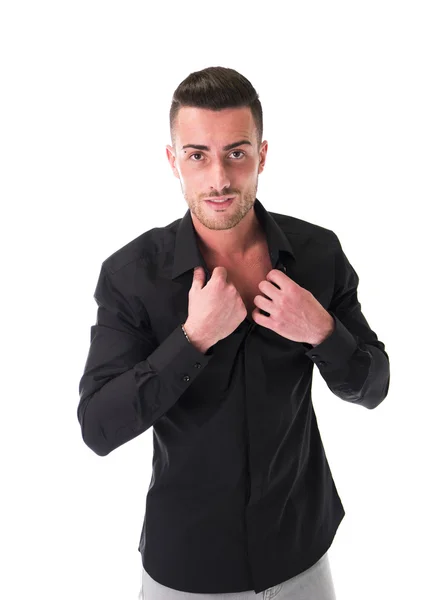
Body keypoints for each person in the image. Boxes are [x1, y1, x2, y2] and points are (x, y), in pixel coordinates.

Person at [77, 66, 390, 599]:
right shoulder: (131, 275)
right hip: (188, 569)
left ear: (262, 156)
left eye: (237, 153)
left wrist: (321, 330)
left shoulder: (319, 254)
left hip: (301, 554)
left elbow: (373, 384)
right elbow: (98, 428)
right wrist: (191, 340)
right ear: (174, 161)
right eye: (198, 155)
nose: (219, 178)